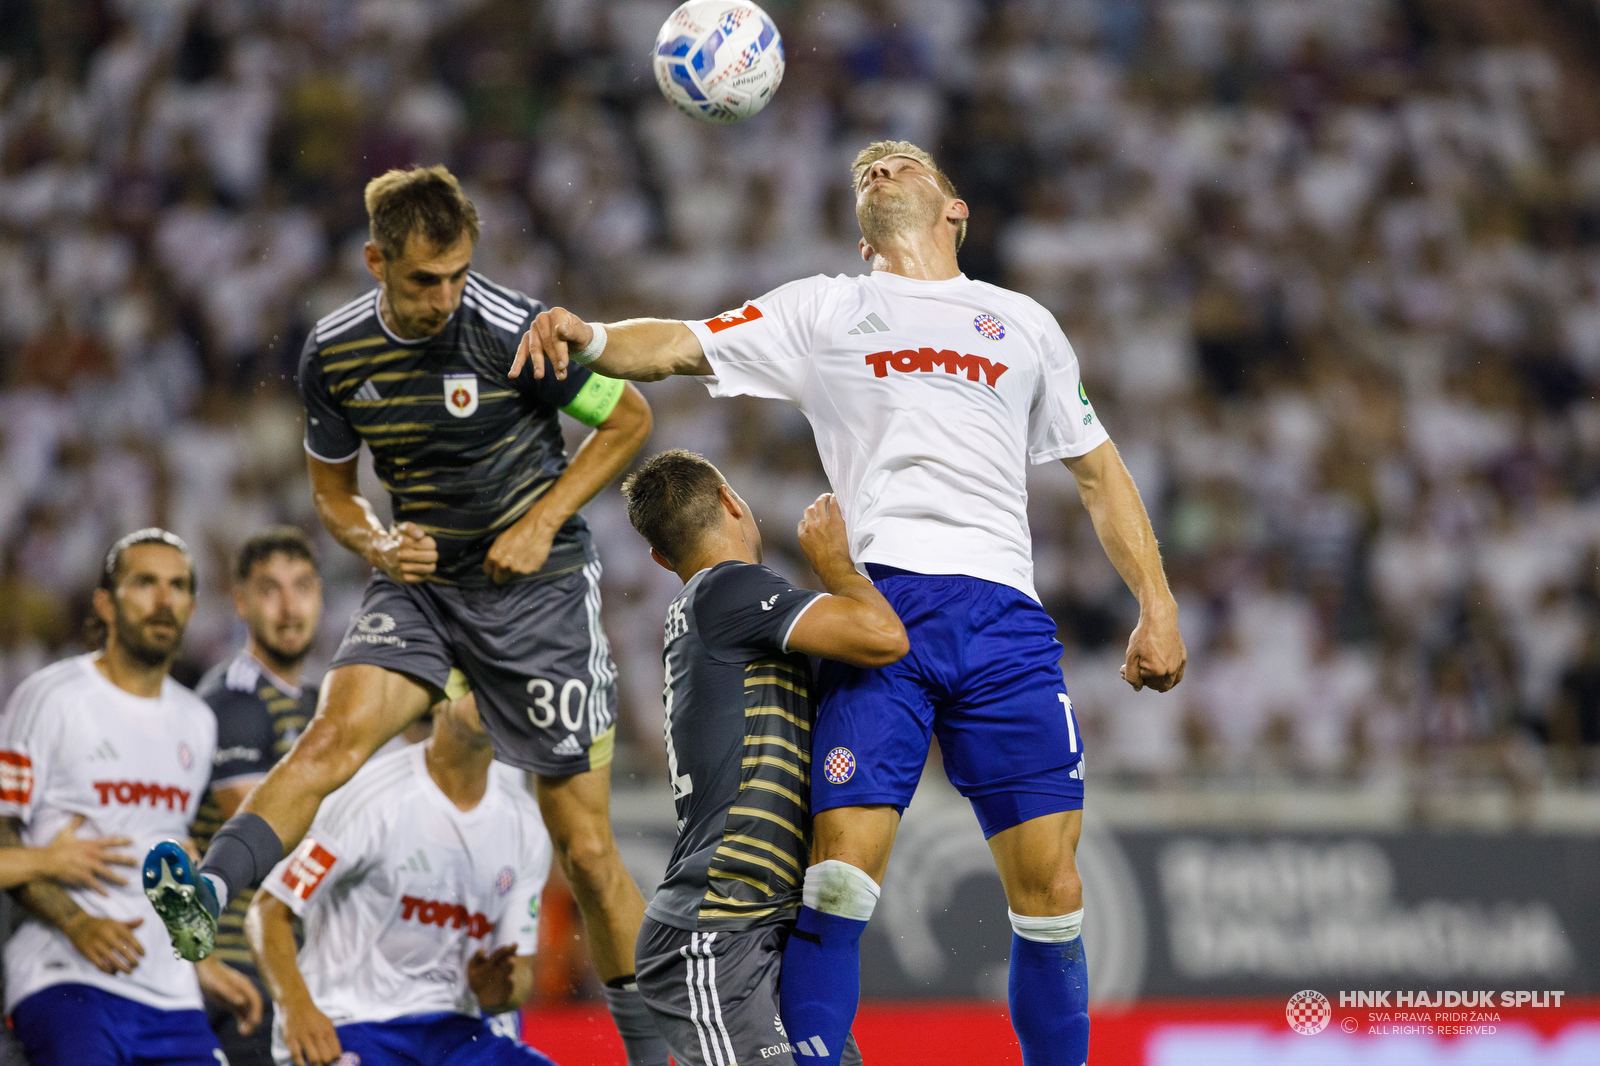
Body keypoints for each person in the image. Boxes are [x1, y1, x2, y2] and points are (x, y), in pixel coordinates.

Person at [512, 140, 1188, 1066]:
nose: (880, 168)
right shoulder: (826, 307)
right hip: (881, 614)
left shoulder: (1022, 323)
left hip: (1003, 619)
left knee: (1053, 889)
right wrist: (590, 338)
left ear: (956, 209)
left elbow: (1100, 473)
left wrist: (1157, 601)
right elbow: (678, 343)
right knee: (836, 880)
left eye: (905, 162)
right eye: (866, 168)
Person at [145, 165, 666, 1065]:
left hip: (537, 590)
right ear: (375, 261)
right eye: (425, 279)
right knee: (327, 744)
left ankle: (661, 1056)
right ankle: (207, 891)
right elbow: (335, 496)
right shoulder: (335, 351)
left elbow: (629, 418)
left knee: (583, 849)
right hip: (423, 580)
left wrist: (542, 521)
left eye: (459, 273)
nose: (445, 296)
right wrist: (379, 546)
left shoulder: (514, 329)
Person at [620, 450, 908, 1066]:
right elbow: (883, 638)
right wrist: (837, 566)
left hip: (761, 932)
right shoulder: (729, 588)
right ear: (731, 500)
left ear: (658, 557)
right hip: (717, 934)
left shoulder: (706, 612)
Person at [1, 529, 262, 1066]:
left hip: (171, 991)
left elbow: (162, 851)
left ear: (193, 603)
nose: (164, 601)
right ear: (105, 601)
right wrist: (76, 921)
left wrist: (200, 964)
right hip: (64, 975)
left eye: (179, 586)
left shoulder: (197, 721)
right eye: (145, 583)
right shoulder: (51, 698)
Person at [246, 691, 555, 1066]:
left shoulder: (526, 823)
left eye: (498, 682)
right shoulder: (370, 797)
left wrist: (499, 991)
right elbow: (267, 911)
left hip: (456, 1033)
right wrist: (296, 1008)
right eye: (474, 679)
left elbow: (518, 978)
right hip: (355, 1023)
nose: (488, 694)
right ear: (438, 697)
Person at [190, 527, 325, 1066]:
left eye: (303, 586)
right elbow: (259, 839)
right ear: (241, 601)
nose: (290, 607)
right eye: (271, 589)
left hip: (289, 960)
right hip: (235, 973)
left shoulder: (317, 702)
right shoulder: (233, 700)